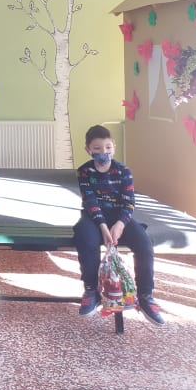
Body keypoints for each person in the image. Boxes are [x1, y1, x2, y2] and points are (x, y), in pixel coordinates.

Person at [74, 125, 165, 325]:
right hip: (94, 217)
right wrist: (103, 227)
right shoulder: (84, 171)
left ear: (113, 147)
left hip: (119, 217)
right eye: (97, 148)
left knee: (144, 243)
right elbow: (90, 202)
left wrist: (120, 224)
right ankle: (91, 290)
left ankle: (146, 295)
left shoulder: (124, 171)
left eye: (108, 147)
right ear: (88, 150)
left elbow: (129, 202)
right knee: (84, 238)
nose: (104, 152)